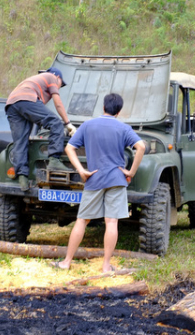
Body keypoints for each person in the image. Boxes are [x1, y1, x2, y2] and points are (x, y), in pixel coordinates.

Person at [51, 93, 146, 273]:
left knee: (82, 221)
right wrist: (131, 172)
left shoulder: (88, 125)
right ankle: (105, 266)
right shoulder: (123, 127)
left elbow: (69, 147)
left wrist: (81, 170)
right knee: (111, 222)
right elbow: (141, 146)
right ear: (119, 111)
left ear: (103, 107)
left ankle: (66, 262)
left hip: (93, 178)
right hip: (117, 179)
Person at [6, 68, 78, 191]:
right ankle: (54, 161)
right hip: (27, 99)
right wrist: (68, 123)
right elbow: (58, 104)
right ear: (58, 77)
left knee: (20, 141)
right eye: (61, 84)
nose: (59, 87)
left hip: (11, 104)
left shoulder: (34, 81)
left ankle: (22, 177)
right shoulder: (51, 77)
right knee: (55, 123)